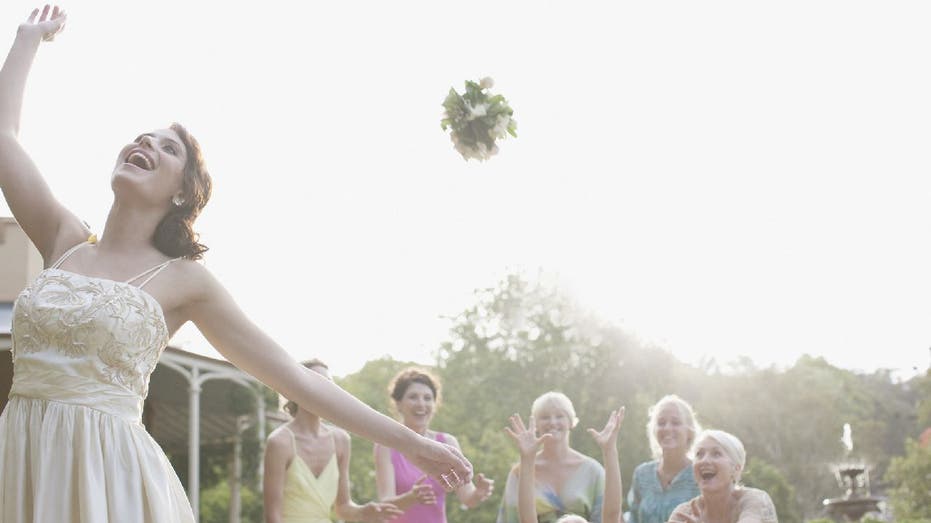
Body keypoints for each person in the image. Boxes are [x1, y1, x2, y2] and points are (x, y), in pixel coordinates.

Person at [0, 7, 471, 522]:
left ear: (183, 193)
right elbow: (3, 139)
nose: (145, 144)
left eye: (167, 147)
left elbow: (298, 379)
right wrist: (26, 40)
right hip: (18, 458)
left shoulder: (185, 281)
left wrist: (412, 444)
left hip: (108, 479)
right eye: (142, 137)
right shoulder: (63, 239)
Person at [263, 359, 404, 523]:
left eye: (328, 384)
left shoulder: (341, 440)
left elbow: (343, 508)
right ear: (295, 387)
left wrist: (364, 512)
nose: (324, 390)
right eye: (315, 382)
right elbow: (272, 517)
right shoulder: (279, 442)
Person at [373, 367, 495, 523]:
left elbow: (467, 498)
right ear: (398, 404)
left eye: (427, 398)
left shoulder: (447, 443)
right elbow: (385, 506)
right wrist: (411, 498)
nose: (421, 404)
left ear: (435, 404)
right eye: (413, 397)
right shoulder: (386, 446)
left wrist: (479, 493)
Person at [496, 392, 609, 523]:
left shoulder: (593, 471)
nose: (552, 422)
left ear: (571, 422)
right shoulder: (519, 472)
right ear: (536, 425)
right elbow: (509, 519)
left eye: (560, 416)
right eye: (545, 417)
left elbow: (608, 517)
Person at [666, 430, 778, 523]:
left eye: (716, 454)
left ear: (736, 469)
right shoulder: (684, 513)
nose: (704, 460)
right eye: (699, 454)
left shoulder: (754, 500)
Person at [627, 395, 702, 523]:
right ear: (654, 430)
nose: (667, 428)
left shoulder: (701, 474)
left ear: (689, 431)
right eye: (661, 423)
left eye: (676, 422)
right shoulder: (641, 474)